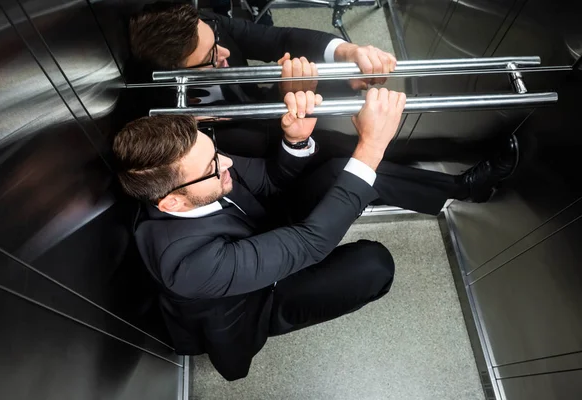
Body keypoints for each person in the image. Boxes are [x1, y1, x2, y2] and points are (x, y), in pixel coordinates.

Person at [112, 88, 519, 381]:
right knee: (373, 265)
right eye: (213, 166)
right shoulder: (185, 266)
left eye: (215, 151)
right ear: (174, 204)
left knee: (340, 169)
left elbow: (270, 181)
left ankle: (462, 190)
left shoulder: (201, 176)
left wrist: (296, 139)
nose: (228, 162)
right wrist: (373, 145)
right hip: (255, 301)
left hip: (259, 234)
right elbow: (310, 243)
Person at [127, 3, 397, 157]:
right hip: (253, 142)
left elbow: (278, 39)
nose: (226, 54)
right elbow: (253, 146)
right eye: (211, 57)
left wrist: (346, 52)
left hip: (255, 99)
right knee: (337, 148)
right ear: (178, 75)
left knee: (341, 83)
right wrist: (287, 101)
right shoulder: (165, 119)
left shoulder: (205, 24)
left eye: (216, 41)